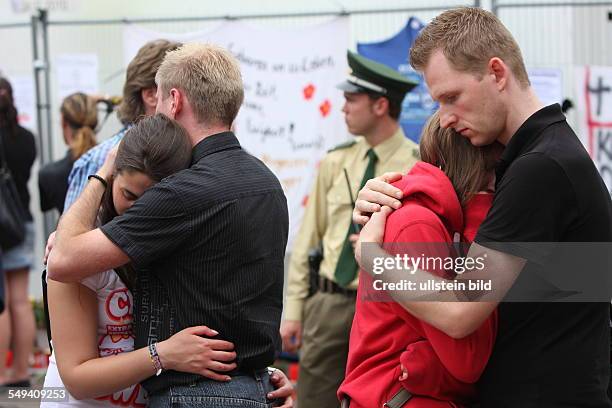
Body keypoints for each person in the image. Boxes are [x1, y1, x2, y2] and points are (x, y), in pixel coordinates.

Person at [352, 7, 612, 407]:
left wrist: (371, 254)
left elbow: (460, 311)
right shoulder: (548, 157)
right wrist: (396, 195)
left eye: (451, 97)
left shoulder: (539, 169)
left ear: (496, 72)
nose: (445, 118)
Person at [48, 43, 290, 408]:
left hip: (195, 393)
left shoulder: (185, 190)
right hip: (254, 389)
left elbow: (63, 260)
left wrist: (103, 173)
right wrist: (261, 377)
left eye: (159, 101)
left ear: (174, 101)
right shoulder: (267, 183)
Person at [42, 114, 243, 407]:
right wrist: (163, 354)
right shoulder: (80, 251)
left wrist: (264, 380)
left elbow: (209, 345)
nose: (140, 211)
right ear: (113, 178)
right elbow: (77, 378)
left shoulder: (180, 242)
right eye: (129, 194)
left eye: (154, 202)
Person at [281, 50, 420, 408]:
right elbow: (308, 238)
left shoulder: (418, 165)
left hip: (384, 307)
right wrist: (294, 310)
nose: (343, 108)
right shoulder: (335, 160)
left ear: (379, 106)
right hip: (327, 304)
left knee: (381, 397)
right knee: (313, 400)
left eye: (351, 99)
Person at [339, 111, 500, 408]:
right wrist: (483, 212)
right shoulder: (419, 224)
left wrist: (426, 366)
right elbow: (469, 358)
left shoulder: (430, 218)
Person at [62, 39, 181, 212]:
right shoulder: (97, 161)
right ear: (151, 95)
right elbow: (69, 236)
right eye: (177, 93)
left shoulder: (181, 151)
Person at [0, 77, 37, 388]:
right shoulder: (26, 139)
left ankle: (0, 373)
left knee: (1, 304)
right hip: (20, 221)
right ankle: (21, 373)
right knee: (20, 301)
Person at [39, 92, 98, 214]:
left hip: (67, 232)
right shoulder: (113, 162)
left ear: (63, 123)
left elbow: (46, 206)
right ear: (95, 121)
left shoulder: (48, 174)